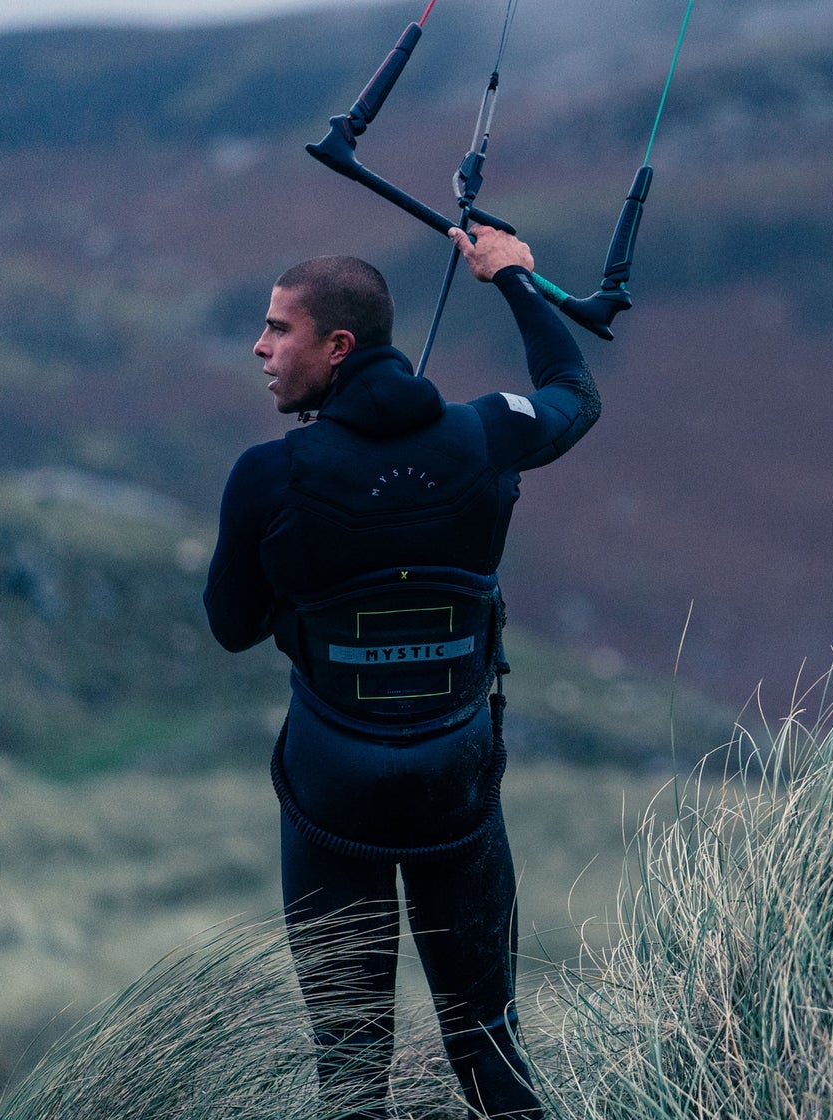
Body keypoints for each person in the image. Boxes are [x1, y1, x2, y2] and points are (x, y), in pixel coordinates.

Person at [202, 225, 599, 1120]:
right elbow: (574, 395)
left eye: (279, 329)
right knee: (489, 1049)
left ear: (339, 346)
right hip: (453, 785)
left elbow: (230, 627)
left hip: (331, 793)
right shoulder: (483, 436)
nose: (260, 349)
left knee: (350, 1072)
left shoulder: (267, 477)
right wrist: (514, 280)